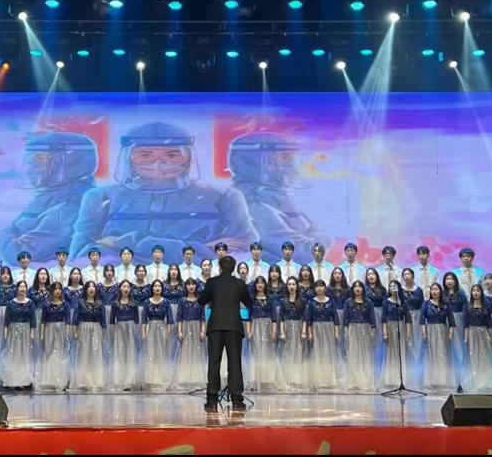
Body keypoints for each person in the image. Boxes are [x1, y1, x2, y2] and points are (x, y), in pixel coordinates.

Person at [70, 122, 258, 260]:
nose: (159, 163)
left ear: (188, 157)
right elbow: (81, 258)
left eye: (172, 155)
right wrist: (198, 250)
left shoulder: (224, 197)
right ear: (129, 158)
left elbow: (241, 256)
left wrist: (120, 243)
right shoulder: (100, 197)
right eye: (145, 155)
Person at [0, 131, 98, 263]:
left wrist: (1, 239)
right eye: (30, 160)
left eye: (40, 159)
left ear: (70, 162)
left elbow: (20, 254)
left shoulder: (72, 205)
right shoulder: (50, 197)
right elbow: (15, 229)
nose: (31, 169)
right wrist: (6, 240)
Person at [227, 131, 327, 259]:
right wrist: (324, 237)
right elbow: (305, 253)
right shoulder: (254, 205)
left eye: (292, 158)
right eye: (285, 158)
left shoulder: (273, 199)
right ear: (258, 163)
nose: (294, 165)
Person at [197, 255, 253, 409]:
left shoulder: (211, 282)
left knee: (214, 362)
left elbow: (202, 300)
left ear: (220, 267)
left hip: (215, 326)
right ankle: (237, 399)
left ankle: (212, 399)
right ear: (234, 268)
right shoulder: (240, 284)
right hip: (234, 327)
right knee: (235, 363)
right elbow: (249, 302)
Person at [303, 280, 341, 391]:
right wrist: (310, 333)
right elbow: (309, 319)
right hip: (316, 328)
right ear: (314, 289)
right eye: (317, 286)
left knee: (328, 354)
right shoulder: (311, 302)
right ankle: (317, 380)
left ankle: (329, 380)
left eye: (321, 286)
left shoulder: (331, 302)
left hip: (328, 328)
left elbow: (335, 318)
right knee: (317, 354)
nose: (319, 288)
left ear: (325, 288)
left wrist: (336, 332)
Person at [245, 276, 281, 393]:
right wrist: (249, 331)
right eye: (258, 283)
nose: (260, 285)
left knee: (268, 353)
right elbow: (248, 318)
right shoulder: (252, 300)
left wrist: (274, 331)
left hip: (267, 327)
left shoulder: (270, 300)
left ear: (265, 285)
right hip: (255, 327)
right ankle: (255, 380)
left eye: (262, 283)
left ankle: (267, 380)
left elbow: (274, 317)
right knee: (256, 353)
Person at [463, 284, 492, 393]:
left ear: (481, 293)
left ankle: (486, 382)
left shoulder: (486, 306)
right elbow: (466, 324)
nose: (475, 293)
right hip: (472, 332)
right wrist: (466, 337)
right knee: (473, 356)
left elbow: (489, 323)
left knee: (485, 357)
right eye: (473, 291)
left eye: (478, 291)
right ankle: (475, 382)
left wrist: (490, 337)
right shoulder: (468, 307)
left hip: (484, 333)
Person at [71, 281, 108, 391]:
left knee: (96, 354)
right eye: (89, 287)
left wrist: (103, 334)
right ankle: (83, 380)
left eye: (93, 287)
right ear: (86, 290)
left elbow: (103, 321)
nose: (91, 289)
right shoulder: (80, 303)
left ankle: (96, 380)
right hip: (84, 328)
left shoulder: (100, 304)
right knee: (84, 354)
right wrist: (75, 332)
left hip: (96, 329)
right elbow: (75, 319)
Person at [172, 278, 207, 391]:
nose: (191, 287)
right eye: (188, 284)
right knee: (185, 353)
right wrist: (180, 331)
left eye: (193, 284)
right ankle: (185, 378)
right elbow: (179, 317)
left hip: (196, 328)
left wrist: (203, 331)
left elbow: (203, 318)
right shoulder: (182, 301)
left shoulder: (200, 300)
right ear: (185, 287)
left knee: (197, 353)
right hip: (186, 328)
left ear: (196, 286)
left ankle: (196, 378)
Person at [34, 282, 70, 392]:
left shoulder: (65, 304)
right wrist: (42, 334)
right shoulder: (46, 304)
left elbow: (67, 320)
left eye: (59, 289)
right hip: (49, 329)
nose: (58, 291)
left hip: (61, 329)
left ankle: (61, 381)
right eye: (55, 289)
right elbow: (43, 320)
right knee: (49, 353)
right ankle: (49, 380)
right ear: (51, 291)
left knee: (60, 354)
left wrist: (67, 333)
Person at [420, 283, 456, 391]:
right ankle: (432, 381)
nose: (434, 291)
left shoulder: (445, 304)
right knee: (431, 354)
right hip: (430, 330)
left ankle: (442, 380)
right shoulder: (426, 303)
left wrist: (450, 333)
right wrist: (424, 333)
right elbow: (422, 320)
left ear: (440, 291)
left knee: (442, 354)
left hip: (442, 330)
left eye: (436, 289)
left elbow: (451, 320)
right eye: (432, 289)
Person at [1, 281, 36, 389]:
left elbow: (33, 319)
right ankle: (12, 379)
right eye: (20, 286)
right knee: (13, 354)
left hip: (26, 329)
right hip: (13, 329)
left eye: (24, 287)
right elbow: (6, 319)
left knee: (25, 354)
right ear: (16, 289)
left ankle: (25, 380)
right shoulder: (11, 303)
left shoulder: (30, 303)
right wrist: (6, 332)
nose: (22, 289)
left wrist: (32, 332)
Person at [343, 281, 377, 391]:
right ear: (352, 289)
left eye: (360, 287)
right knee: (353, 354)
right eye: (355, 287)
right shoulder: (348, 302)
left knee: (365, 355)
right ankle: (354, 381)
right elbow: (345, 318)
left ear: (363, 289)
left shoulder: (369, 302)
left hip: (365, 329)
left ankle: (366, 380)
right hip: (353, 329)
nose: (357, 289)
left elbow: (372, 318)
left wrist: (373, 331)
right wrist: (346, 331)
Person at [141, 280, 175, 392]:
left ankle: (161, 378)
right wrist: (143, 332)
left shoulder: (166, 302)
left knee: (161, 353)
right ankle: (150, 378)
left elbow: (170, 319)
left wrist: (168, 332)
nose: (157, 288)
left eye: (159, 286)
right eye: (155, 286)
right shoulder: (146, 302)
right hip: (151, 328)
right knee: (151, 353)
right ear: (152, 288)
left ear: (162, 288)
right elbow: (144, 319)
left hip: (162, 328)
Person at [278, 277, 308, 391]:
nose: (291, 287)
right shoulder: (283, 301)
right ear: (287, 286)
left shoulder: (302, 300)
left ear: (297, 287)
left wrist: (304, 331)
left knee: (299, 353)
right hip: (287, 327)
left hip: (299, 327)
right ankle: (288, 379)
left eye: (293, 284)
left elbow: (305, 317)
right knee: (287, 354)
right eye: (289, 284)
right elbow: (281, 317)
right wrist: (282, 332)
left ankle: (298, 379)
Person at [111, 280, 142, 391]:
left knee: (131, 353)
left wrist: (136, 332)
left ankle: (131, 380)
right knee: (120, 353)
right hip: (119, 328)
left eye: (128, 287)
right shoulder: (115, 303)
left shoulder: (134, 303)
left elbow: (137, 320)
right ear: (120, 288)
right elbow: (112, 320)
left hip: (131, 328)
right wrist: (113, 330)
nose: (125, 289)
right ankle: (120, 380)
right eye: (123, 286)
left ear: (130, 289)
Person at [380, 281, 411, 389]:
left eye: (395, 286)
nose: (393, 288)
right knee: (391, 352)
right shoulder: (386, 302)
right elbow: (383, 318)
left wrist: (408, 333)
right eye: (391, 286)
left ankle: (401, 378)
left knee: (401, 351)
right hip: (390, 327)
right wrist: (384, 332)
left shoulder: (403, 302)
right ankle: (390, 378)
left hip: (401, 327)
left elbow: (408, 319)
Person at [442, 271, 469, 387]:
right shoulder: (442, 294)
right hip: (444, 322)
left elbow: (466, 308)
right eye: (447, 279)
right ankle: (448, 377)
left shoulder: (461, 293)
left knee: (459, 348)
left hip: (459, 321)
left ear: (455, 281)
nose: (449, 281)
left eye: (451, 279)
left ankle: (461, 378)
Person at [400, 268, 425, 384]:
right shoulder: (400, 291)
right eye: (405, 274)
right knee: (406, 342)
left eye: (409, 274)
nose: (407, 276)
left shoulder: (419, 290)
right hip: (404, 319)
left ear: (413, 276)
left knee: (418, 343)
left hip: (417, 317)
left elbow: (422, 306)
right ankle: (407, 373)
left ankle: (418, 373)